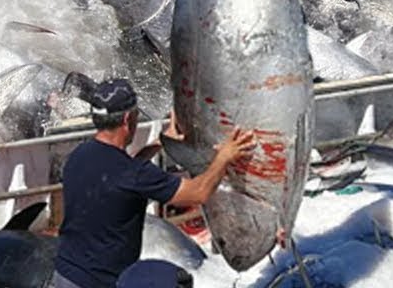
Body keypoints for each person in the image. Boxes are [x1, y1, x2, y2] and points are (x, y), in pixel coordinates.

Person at [50, 79, 258, 288]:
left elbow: (121, 174)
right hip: (99, 282)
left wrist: (161, 141)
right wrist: (224, 157)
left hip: (65, 273)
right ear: (127, 119)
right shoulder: (133, 174)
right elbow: (199, 193)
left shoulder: (79, 155)